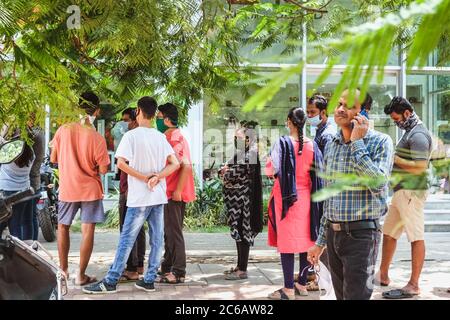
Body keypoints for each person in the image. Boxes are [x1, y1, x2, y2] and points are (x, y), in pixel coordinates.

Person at [83, 96, 179, 294]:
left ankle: (110, 281)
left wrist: (144, 178)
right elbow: (175, 163)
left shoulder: (131, 136)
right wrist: (157, 177)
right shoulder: (160, 137)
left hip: (140, 198)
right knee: (156, 239)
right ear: (154, 115)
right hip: (158, 197)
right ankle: (149, 279)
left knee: (127, 238)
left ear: (138, 111)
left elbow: (120, 163)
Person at [307, 88, 394, 300]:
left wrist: (357, 143)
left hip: (361, 236)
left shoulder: (381, 142)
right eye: (338, 104)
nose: (340, 109)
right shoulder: (331, 145)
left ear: (364, 113)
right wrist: (320, 242)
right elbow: (330, 198)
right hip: (334, 235)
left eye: (348, 106)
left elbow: (378, 184)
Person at [50, 91, 111, 285]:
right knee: (87, 230)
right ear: (97, 110)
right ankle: (81, 275)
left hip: (68, 187)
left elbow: (53, 159)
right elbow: (103, 169)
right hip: (90, 190)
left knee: (62, 227)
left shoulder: (62, 130)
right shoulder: (96, 137)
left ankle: (64, 271)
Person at [377, 97, 432, 299]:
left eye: (396, 118)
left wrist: (395, 158)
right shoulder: (409, 132)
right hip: (401, 192)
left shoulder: (418, 135)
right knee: (389, 232)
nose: (396, 122)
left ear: (407, 113)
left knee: (415, 237)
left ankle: (414, 284)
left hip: (412, 191)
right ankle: (382, 275)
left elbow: (420, 167)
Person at [266, 107, 324, 300]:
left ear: (289, 121)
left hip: (286, 198)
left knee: (287, 243)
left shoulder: (281, 143)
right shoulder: (313, 145)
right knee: (306, 241)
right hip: (307, 198)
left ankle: (288, 289)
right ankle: (302, 283)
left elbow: (271, 169)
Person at [156, 103, 196, 284]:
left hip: (174, 192)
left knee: (174, 233)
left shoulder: (173, 138)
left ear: (166, 119)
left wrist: (178, 190)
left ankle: (178, 271)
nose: (156, 120)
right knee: (169, 232)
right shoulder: (172, 135)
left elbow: (186, 165)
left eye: (158, 117)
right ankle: (167, 266)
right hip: (170, 191)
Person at [220, 121, 263, 281]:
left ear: (247, 139)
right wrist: (225, 170)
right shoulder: (242, 153)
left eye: (237, 137)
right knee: (238, 232)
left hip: (244, 203)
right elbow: (224, 169)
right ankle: (239, 266)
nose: (235, 139)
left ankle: (242, 270)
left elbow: (231, 173)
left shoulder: (250, 154)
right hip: (236, 202)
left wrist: (226, 172)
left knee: (243, 232)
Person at [117, 113, 146, 281]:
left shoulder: (130, 138)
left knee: (127, 229)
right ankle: (139, 264)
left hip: (129, 190)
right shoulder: (140, 138)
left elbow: (124, 164)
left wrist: (126, 188)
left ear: (135, 120)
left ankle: (132, 268)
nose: (124, 123)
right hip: (137, 190)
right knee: (138, 228)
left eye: (127, 119)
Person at [0, 134, 35, 240]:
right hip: (25, 191)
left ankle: (13, 252)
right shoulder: (32, 154)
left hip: (6, 191)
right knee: (22, 223)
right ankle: (26, 251)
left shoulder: (7, 153)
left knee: (8, 223)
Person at [28, 115, 45, 241]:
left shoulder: (34, 134)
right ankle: (33, 248)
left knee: (27, 218)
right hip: (35, 181)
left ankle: (29, 249)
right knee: (31, 216)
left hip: (29, 182)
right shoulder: (40, 133)